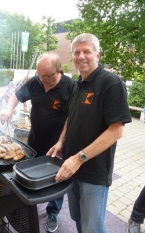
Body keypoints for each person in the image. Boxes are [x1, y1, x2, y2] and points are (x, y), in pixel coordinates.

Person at [47, 33, 132, 233]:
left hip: (93, 173)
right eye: (77, 52)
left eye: (87, 51)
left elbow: (116, 131)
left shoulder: (111, 83)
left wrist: (79, 158)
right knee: (78, 219)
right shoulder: (78, 84)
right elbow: (71, 117)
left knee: (92, 228)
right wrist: (61, 142)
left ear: (98, 55)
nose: (81, 56)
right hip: (71, 167)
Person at [0, 52, 75, 233]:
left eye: (46, 76)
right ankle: (24, 205)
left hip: (57, 146)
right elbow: (15, 96)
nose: (42, 80)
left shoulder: (71, 87)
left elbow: (71, 118)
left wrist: (61, 141)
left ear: (59, 72)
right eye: (39, 75)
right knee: (28, 175)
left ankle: (53, 213)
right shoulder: (36, 81)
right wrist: (9, 110)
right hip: (34, 140)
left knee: (55, 181)